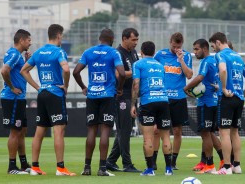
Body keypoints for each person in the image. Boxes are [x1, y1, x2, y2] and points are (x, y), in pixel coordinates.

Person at [20, 24, 76, 176]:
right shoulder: (59, 51)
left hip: (42, 94)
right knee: (58, 130)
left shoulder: (38, 52)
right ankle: (60, 168)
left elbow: (23, 71)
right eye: (62, 36)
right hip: (55, 95)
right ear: (58, 36)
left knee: (39, 131)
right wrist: (65, 85)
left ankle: (35, 167)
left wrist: (38, 87)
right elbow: (65, 69)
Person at [73, 28, 125, 176]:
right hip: (108, 96)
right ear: (112, 39)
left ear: (99, 38)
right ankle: (102, 168)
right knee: (105, 130)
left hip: (92, 96)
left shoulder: (88, 52)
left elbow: (75, 72)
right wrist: (119, 88)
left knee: (91, 130)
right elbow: (121, 73)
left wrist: (84, 87)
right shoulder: (114, 52)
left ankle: (87, 167)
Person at [131, 41, 172, 176]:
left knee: (147, 138)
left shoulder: (138, 64)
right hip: (164, 101)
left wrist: (133, 104)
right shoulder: (160, 66)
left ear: (141, 52)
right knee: (165, 137)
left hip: (148, 102)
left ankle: (149, 170)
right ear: (154, 53)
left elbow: (136, 84)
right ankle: (169, 169)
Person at [209, 32, 245, 175]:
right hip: (239, 98)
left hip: (227, 98)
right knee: (235, 132)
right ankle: (236, 165)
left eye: (213, 45)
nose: (213, 49)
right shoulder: (238, 56)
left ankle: (226, 167)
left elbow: (223, 70)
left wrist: (224, 88)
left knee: (224, 133)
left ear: (218, 42)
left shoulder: (221, 55)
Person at [153, 32, 193, 170]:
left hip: (179, 98)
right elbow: (154, 71)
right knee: (157, 130)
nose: (176, 48)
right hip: (162, 98)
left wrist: (181, 60)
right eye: (174, 46)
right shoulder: (160, 55)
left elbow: (189, 75)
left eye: (178, 46)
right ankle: (153, 160)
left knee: (177, 131)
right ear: (170, 42)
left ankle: (173, 161)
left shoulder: (186, 55)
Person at [184, 39, 223, 173]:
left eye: (196, 49)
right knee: (210, 133)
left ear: (204, 49)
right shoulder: (215, 61)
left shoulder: (206, 62)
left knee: (205, 133)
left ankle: (210, 166)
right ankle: (223, 160)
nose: (194, 52)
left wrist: (187, 88)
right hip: (213, 101)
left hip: (206, 102)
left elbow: (200, 77)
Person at [106, 28, 141, 172]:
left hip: (131, 95)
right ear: (124, 38)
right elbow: (116, 73)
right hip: (120, 95)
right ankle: (127, 164)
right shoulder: (117, 53)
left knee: (125, 129)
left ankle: (110, 161)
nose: (136, 43)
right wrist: (136, 73)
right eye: (133, 40)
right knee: (124, 130)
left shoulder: (133, 53)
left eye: (137, 40)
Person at [0, 29, 32, 174]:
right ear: (21, 40)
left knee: (22, 130)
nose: (30, 43)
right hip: (12, 98)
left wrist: (25, 62)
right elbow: (4, 70)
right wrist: (12, 88)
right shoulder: (13, 54)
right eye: (28, 40)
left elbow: (16, 72)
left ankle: (24, 164)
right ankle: (12, 167)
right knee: (15, 132)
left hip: (19, 98)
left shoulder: (16, 55)